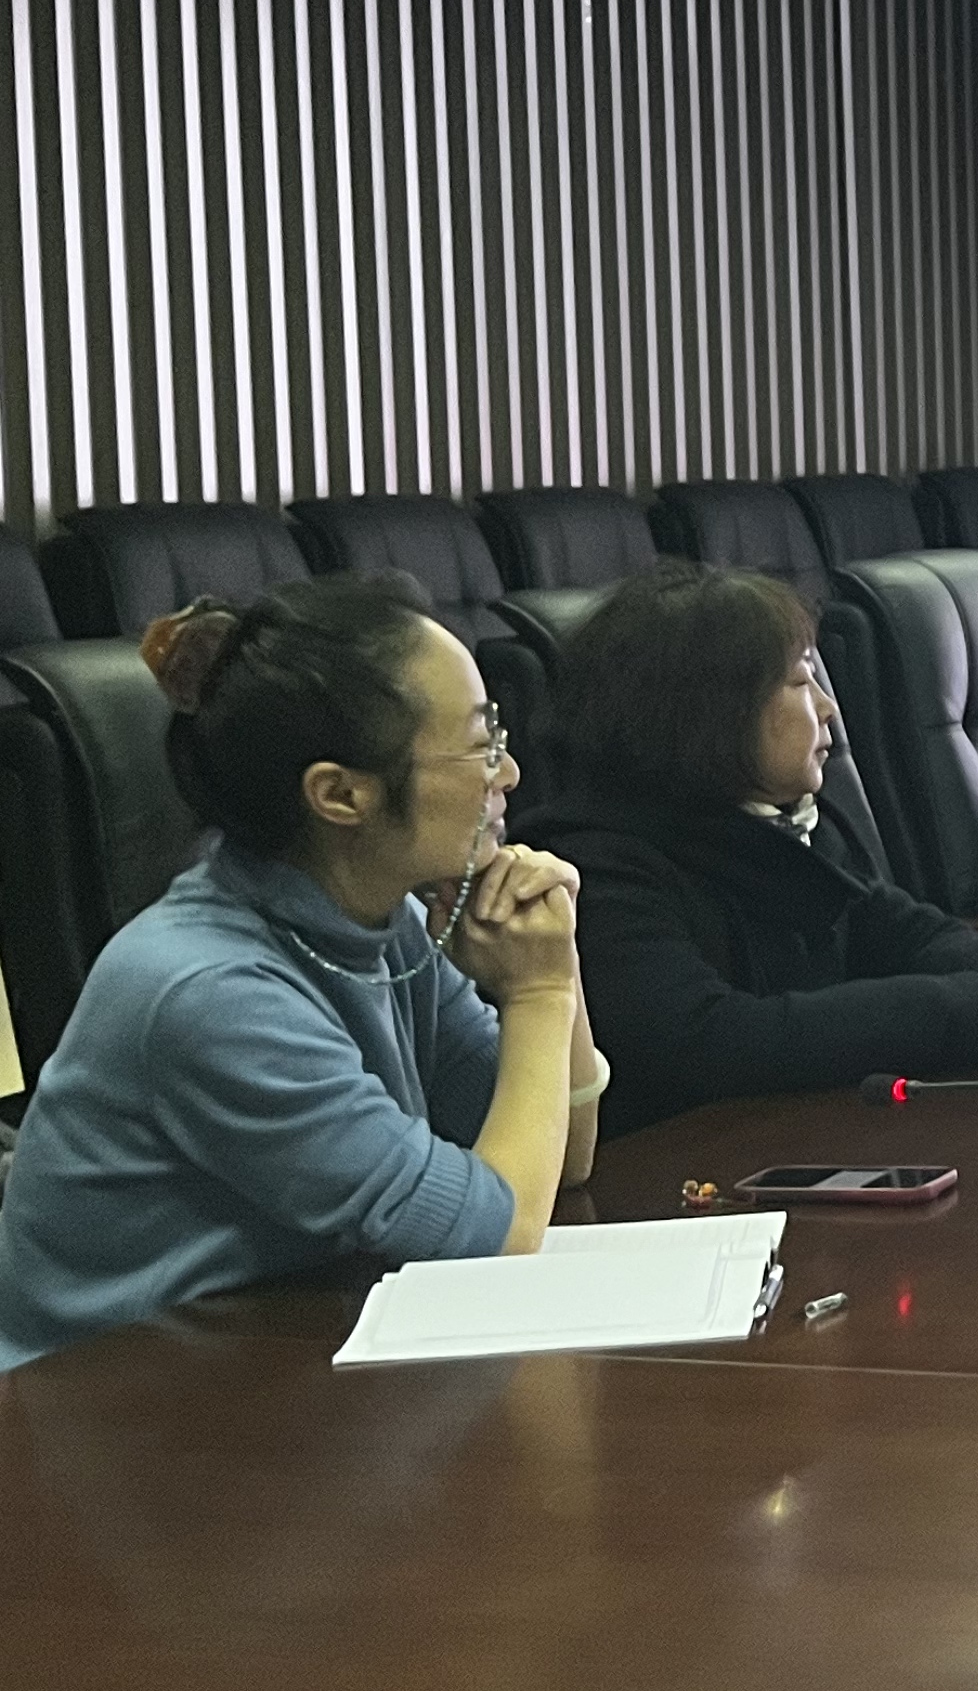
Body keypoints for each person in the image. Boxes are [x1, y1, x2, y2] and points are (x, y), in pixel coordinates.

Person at [0, 576, 597, 1368]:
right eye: (481, 745)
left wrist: (556, 966)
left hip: (267, 1360)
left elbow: (559, 1160)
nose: (509, 773)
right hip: (99, 1396)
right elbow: (499, 1237)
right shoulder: (211, 992)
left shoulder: (387, 921)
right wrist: (538, 992)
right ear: (340, 794)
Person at [529, 561, 978, 1137]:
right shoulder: (597, 866)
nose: (827, 706)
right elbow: (706, 1039)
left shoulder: (788, 823)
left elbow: (899, 930)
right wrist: (973, 1009)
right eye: (799, 682)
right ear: (712, 714)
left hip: (796, 1137)